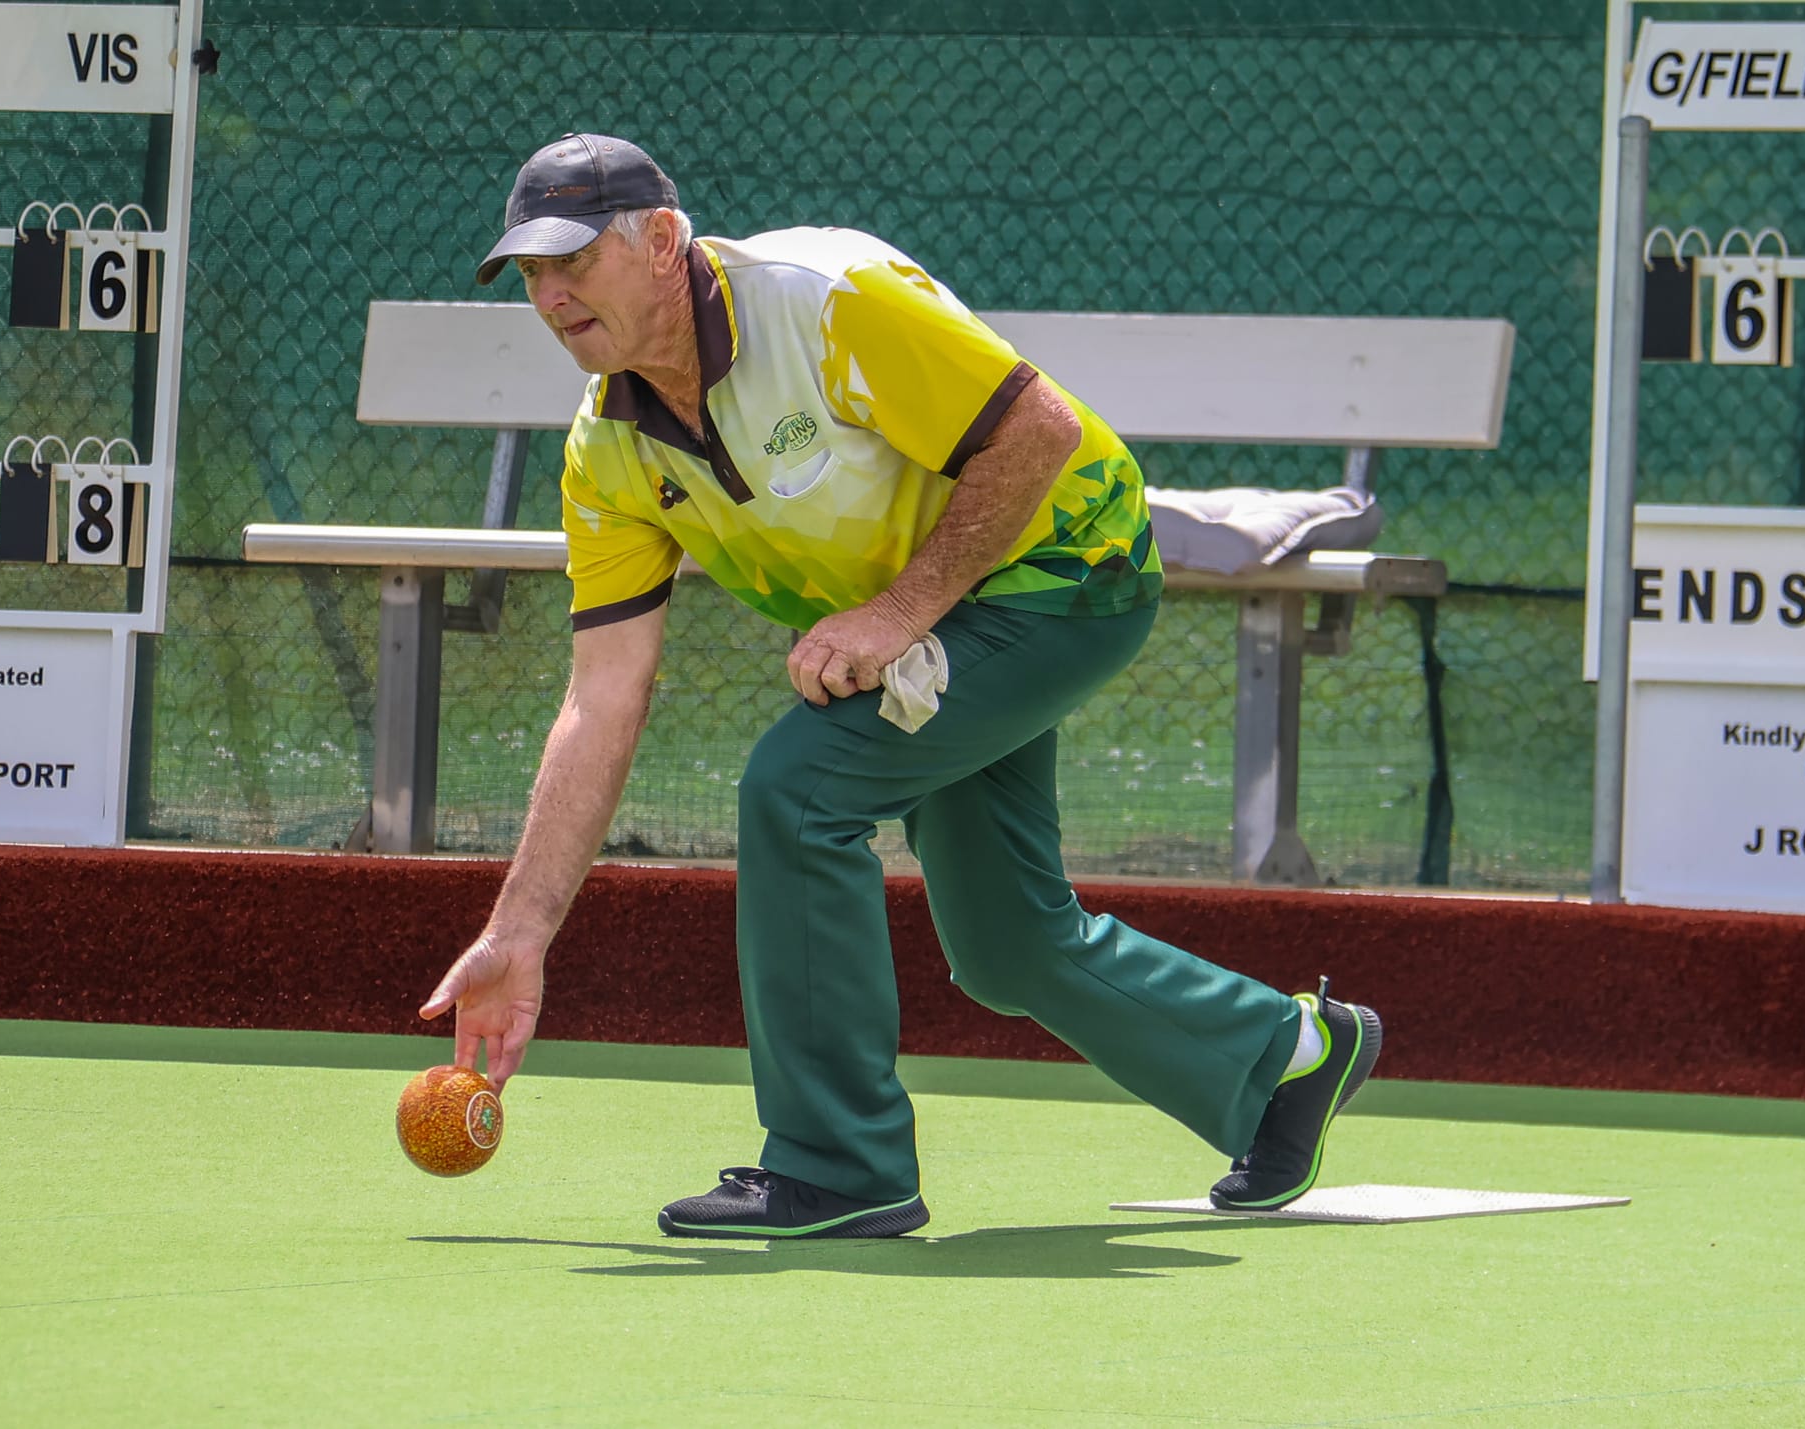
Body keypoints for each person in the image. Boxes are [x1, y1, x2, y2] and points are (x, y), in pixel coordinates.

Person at [419, 132, 1382, 1239]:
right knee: (1006, 943)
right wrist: (520, 931)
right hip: (940, 622)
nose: (549, 296)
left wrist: (894, 613)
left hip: (1066, 564)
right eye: (530, 274)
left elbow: (1038, 430)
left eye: (572, 262)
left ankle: (839, 1164)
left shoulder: (828, 302)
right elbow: (601, 695)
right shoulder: (609, 455)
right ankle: (1288, 1055)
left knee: (798, 785)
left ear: (662, 242)